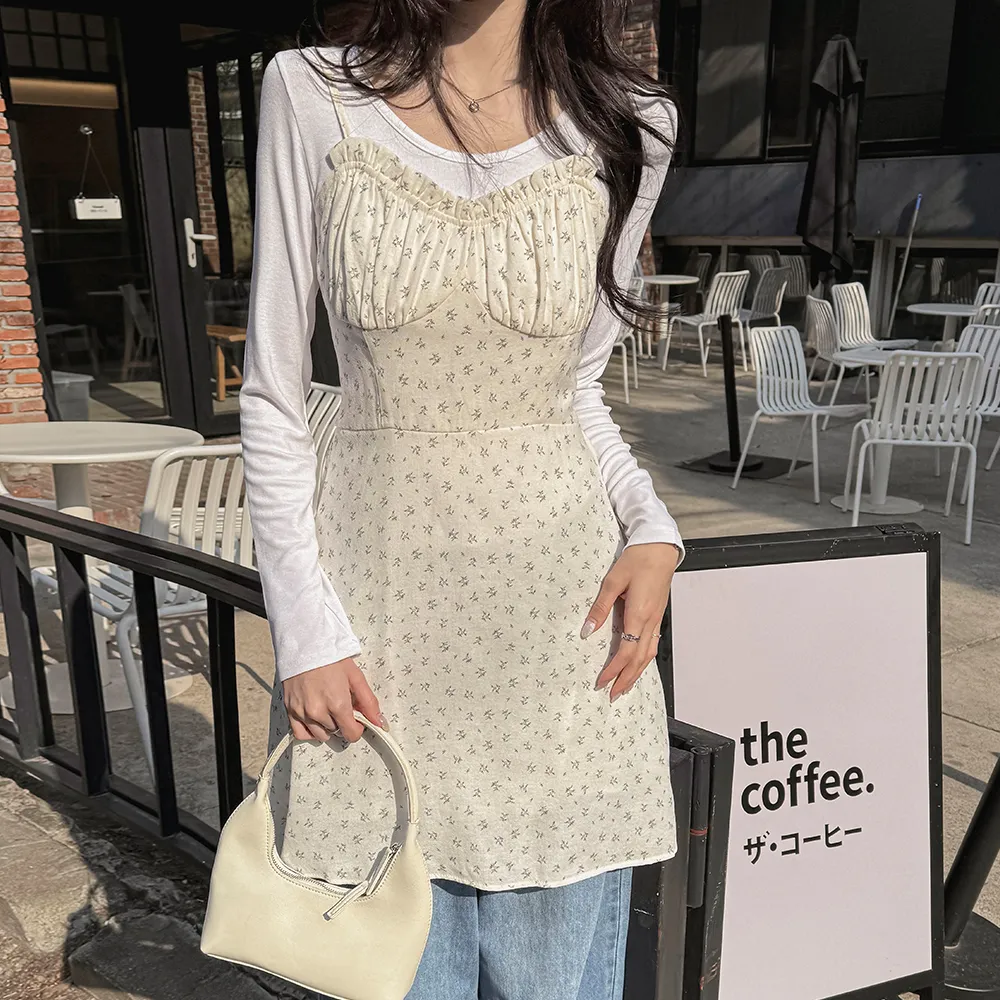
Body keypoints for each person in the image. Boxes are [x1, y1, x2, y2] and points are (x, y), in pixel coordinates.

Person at [239, 0, 685, 995]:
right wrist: (304, 631)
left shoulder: (632, 121)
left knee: (552, 976)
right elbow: (272, 396)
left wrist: (653, 526)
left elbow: (576, 389)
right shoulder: (310, 93)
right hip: (375, 638)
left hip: (560, 639)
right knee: (384, 966)